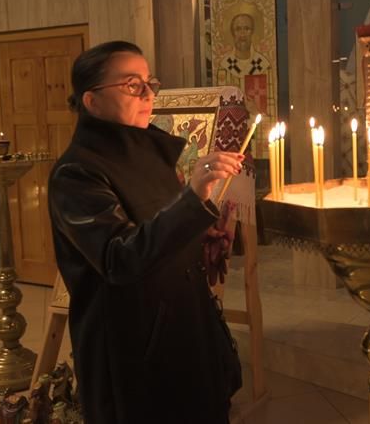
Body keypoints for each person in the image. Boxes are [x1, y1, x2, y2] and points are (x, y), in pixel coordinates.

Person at [48, 41, 244, 423]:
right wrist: (192, 199)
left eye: (149, 82)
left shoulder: (149, 152)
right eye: (132, 85)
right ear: (92, 101)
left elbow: (158, 228)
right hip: (133, 348)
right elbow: (119, 258)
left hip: (184, 329)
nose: (148, 94)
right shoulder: (76, 174)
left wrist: (199, 238)